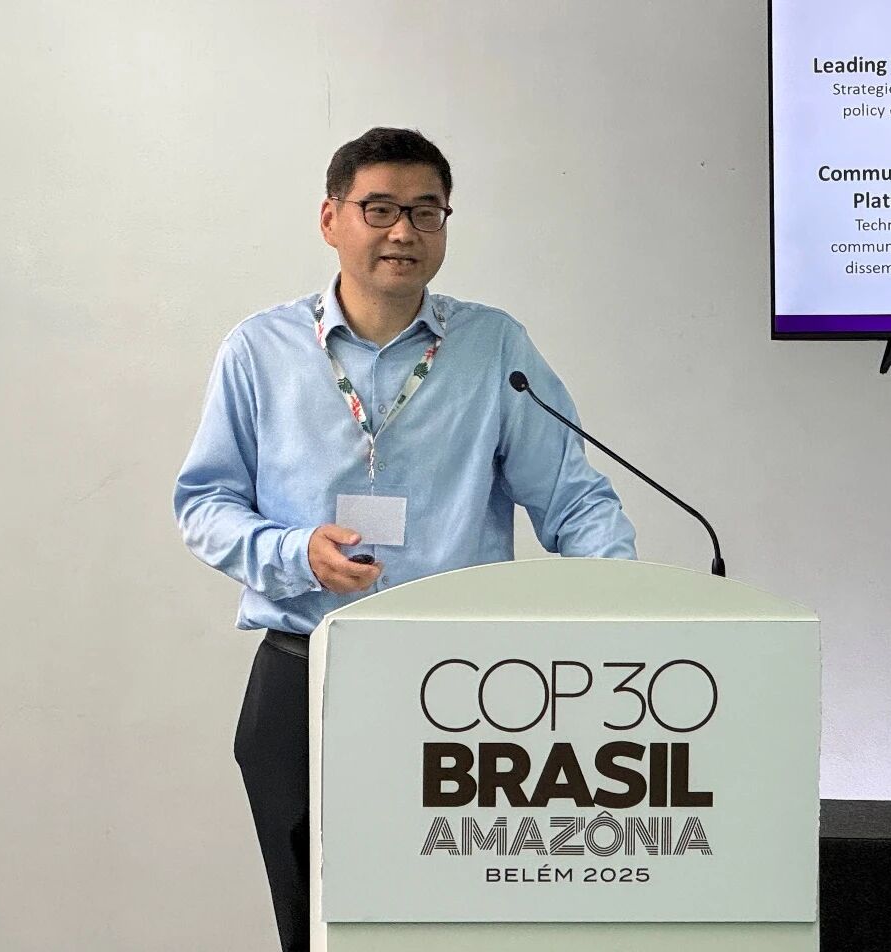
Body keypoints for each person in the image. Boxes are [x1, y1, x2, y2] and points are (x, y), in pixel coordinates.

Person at [173, 126, 636, 952]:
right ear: (330, 219)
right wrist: (295, 552)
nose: (403, 232)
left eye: (426, 212)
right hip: (305, 670)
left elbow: (572, 498)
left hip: (465, 688)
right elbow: (205, 503)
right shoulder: (260, 350)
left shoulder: (493, 347)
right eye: (379, 209)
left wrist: (625, 604)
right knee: (316, 924)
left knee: (455, 919)